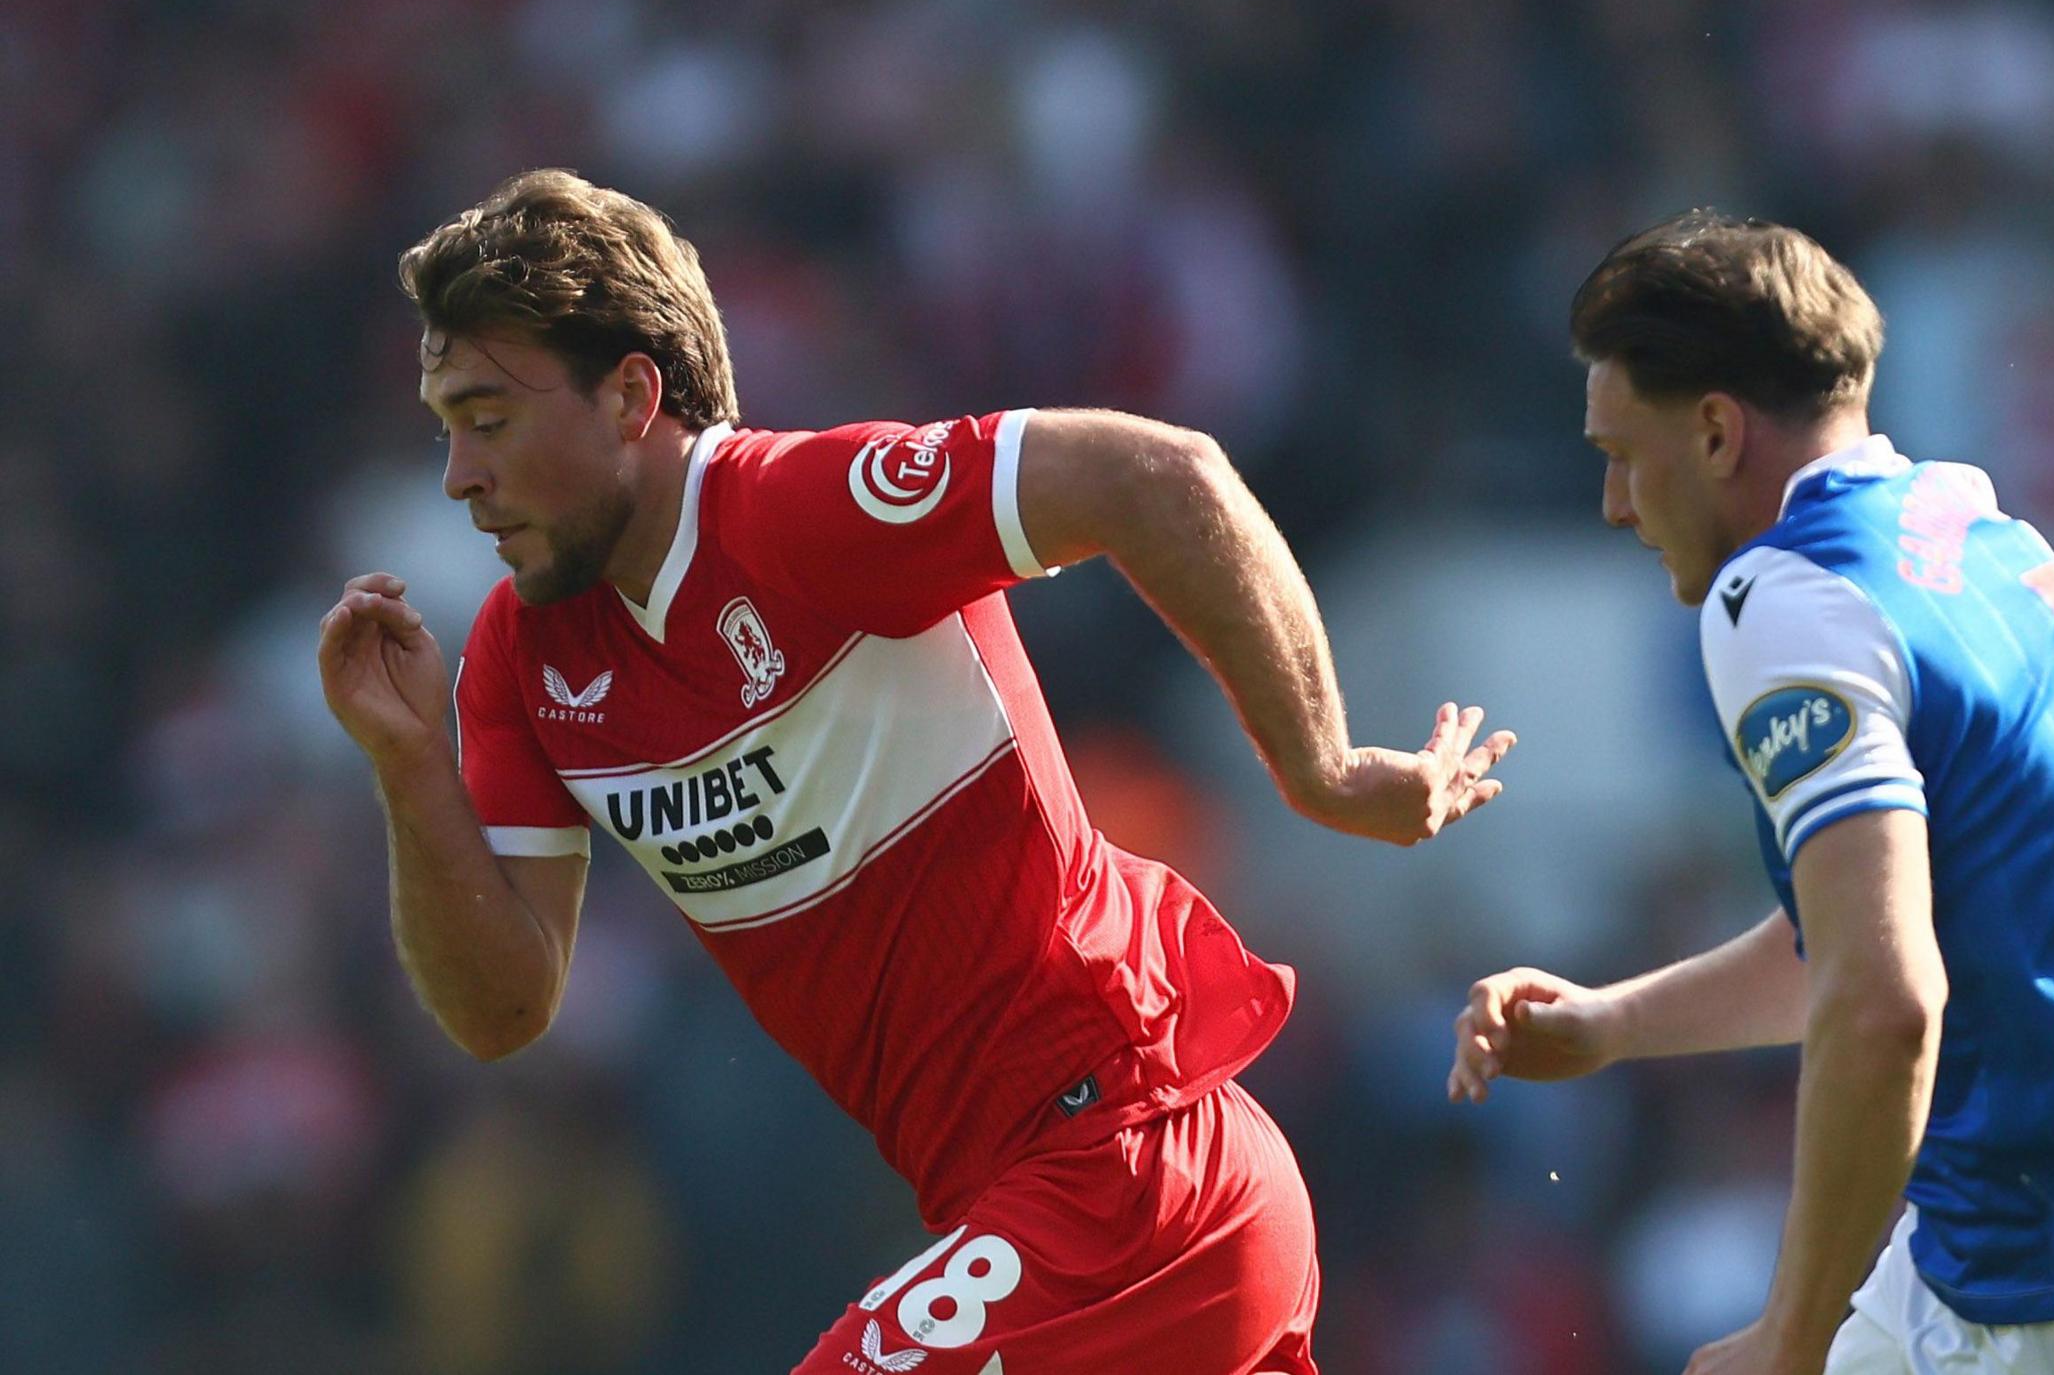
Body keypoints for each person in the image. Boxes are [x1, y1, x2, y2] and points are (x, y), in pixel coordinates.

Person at [316, 169, 1515, 1375]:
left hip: (1134, 1175)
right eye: (445, 426)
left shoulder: (795, 511)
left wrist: (1320, 767)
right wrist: (411, 769)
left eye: (490, 417)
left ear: (631, 394)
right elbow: (503, 1006)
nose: (459, 475)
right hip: (1050, 1215)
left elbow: (1158, 476)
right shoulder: (523, 662)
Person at [1447, 212, 2054, 1374]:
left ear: (1712, 433)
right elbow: (1878, 936)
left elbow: (1887, 999)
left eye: (1620, 450)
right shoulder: (1967, 524)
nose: (1612, 502)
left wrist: (1789, 1339)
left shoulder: (1783, 598)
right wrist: (1613, 1025)